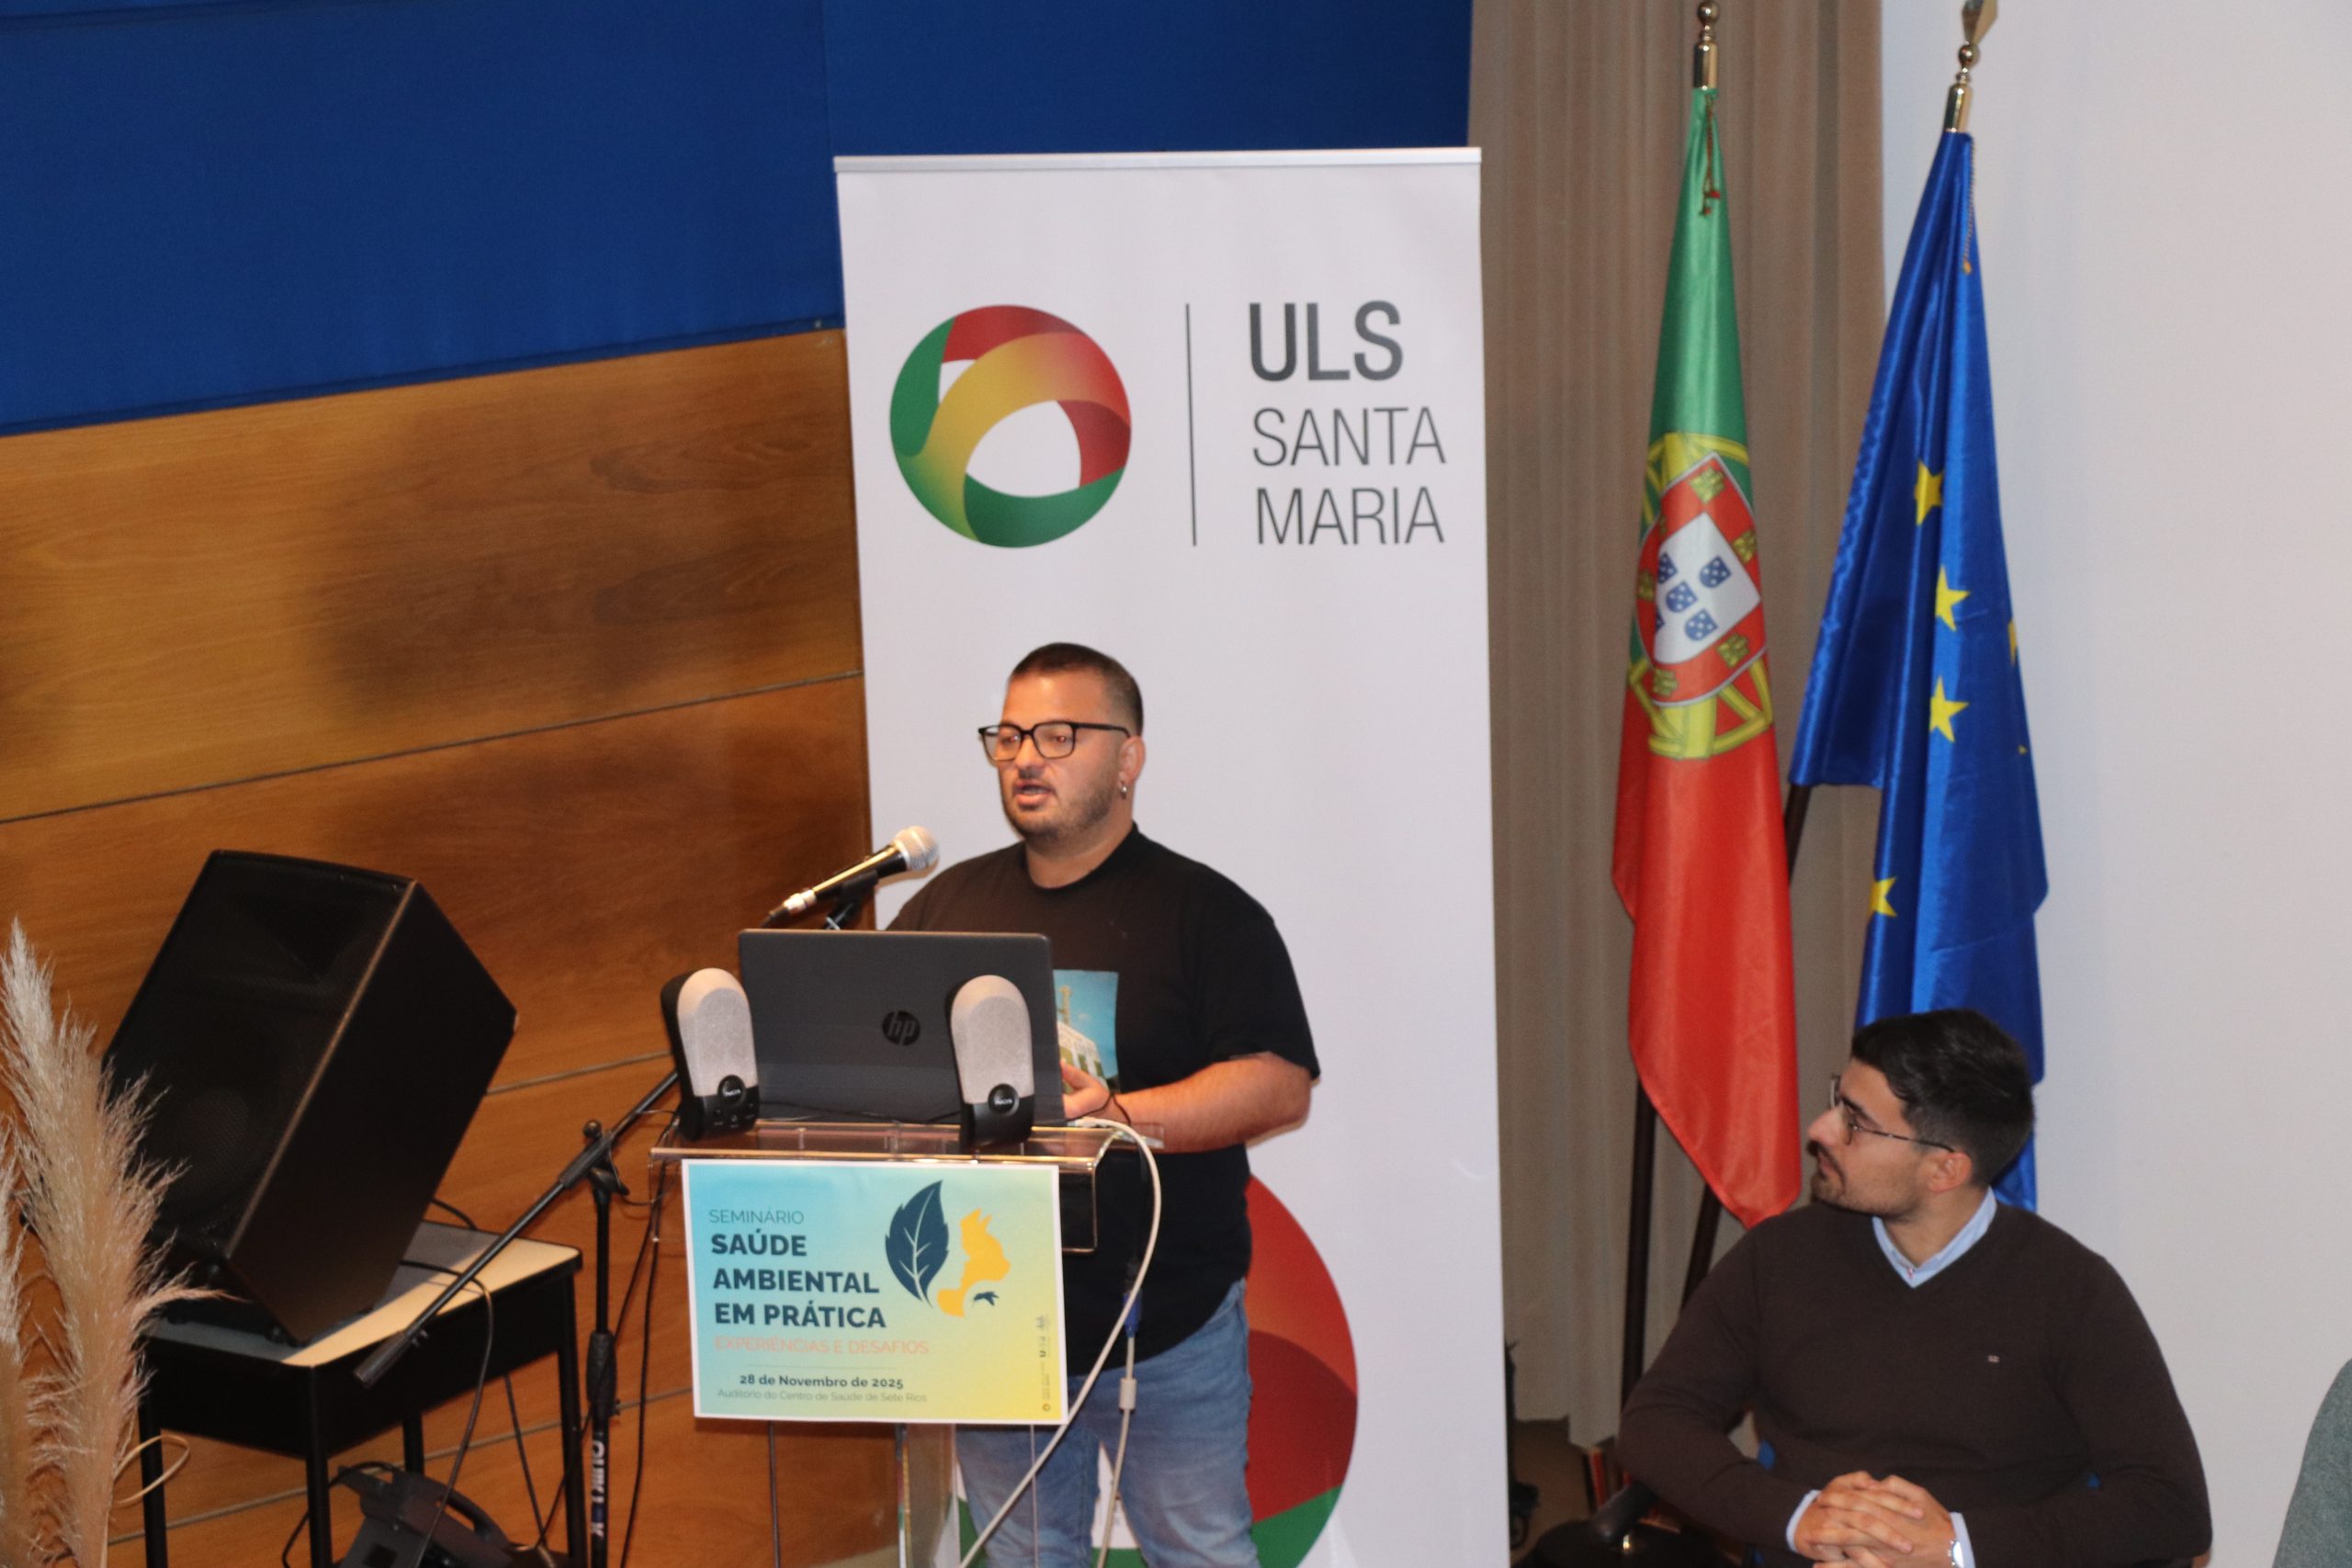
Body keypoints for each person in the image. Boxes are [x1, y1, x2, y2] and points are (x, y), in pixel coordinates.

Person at [890, 642, 1318, 1568]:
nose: (1023, 758)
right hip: (990, 1317)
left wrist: (1116, 1115)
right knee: (1022, 1555)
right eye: (1008, 737)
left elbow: (1279, 1083)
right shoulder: (944, 909)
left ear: (1129, 758)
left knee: (1200, 1551)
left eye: (1056, 735)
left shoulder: (1206, 914)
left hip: (1165, 1322)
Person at [1618, 1009, 2209, 1568]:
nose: (1820, 1130)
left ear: (1945, 1169)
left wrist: (1957, 1547)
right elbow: (1658, 1420)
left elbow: (2170, 1506)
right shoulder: (1778, 1258)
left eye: (1856, 1122)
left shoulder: (2071, 1290)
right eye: (1837, 1100)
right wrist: (1801, 1519)